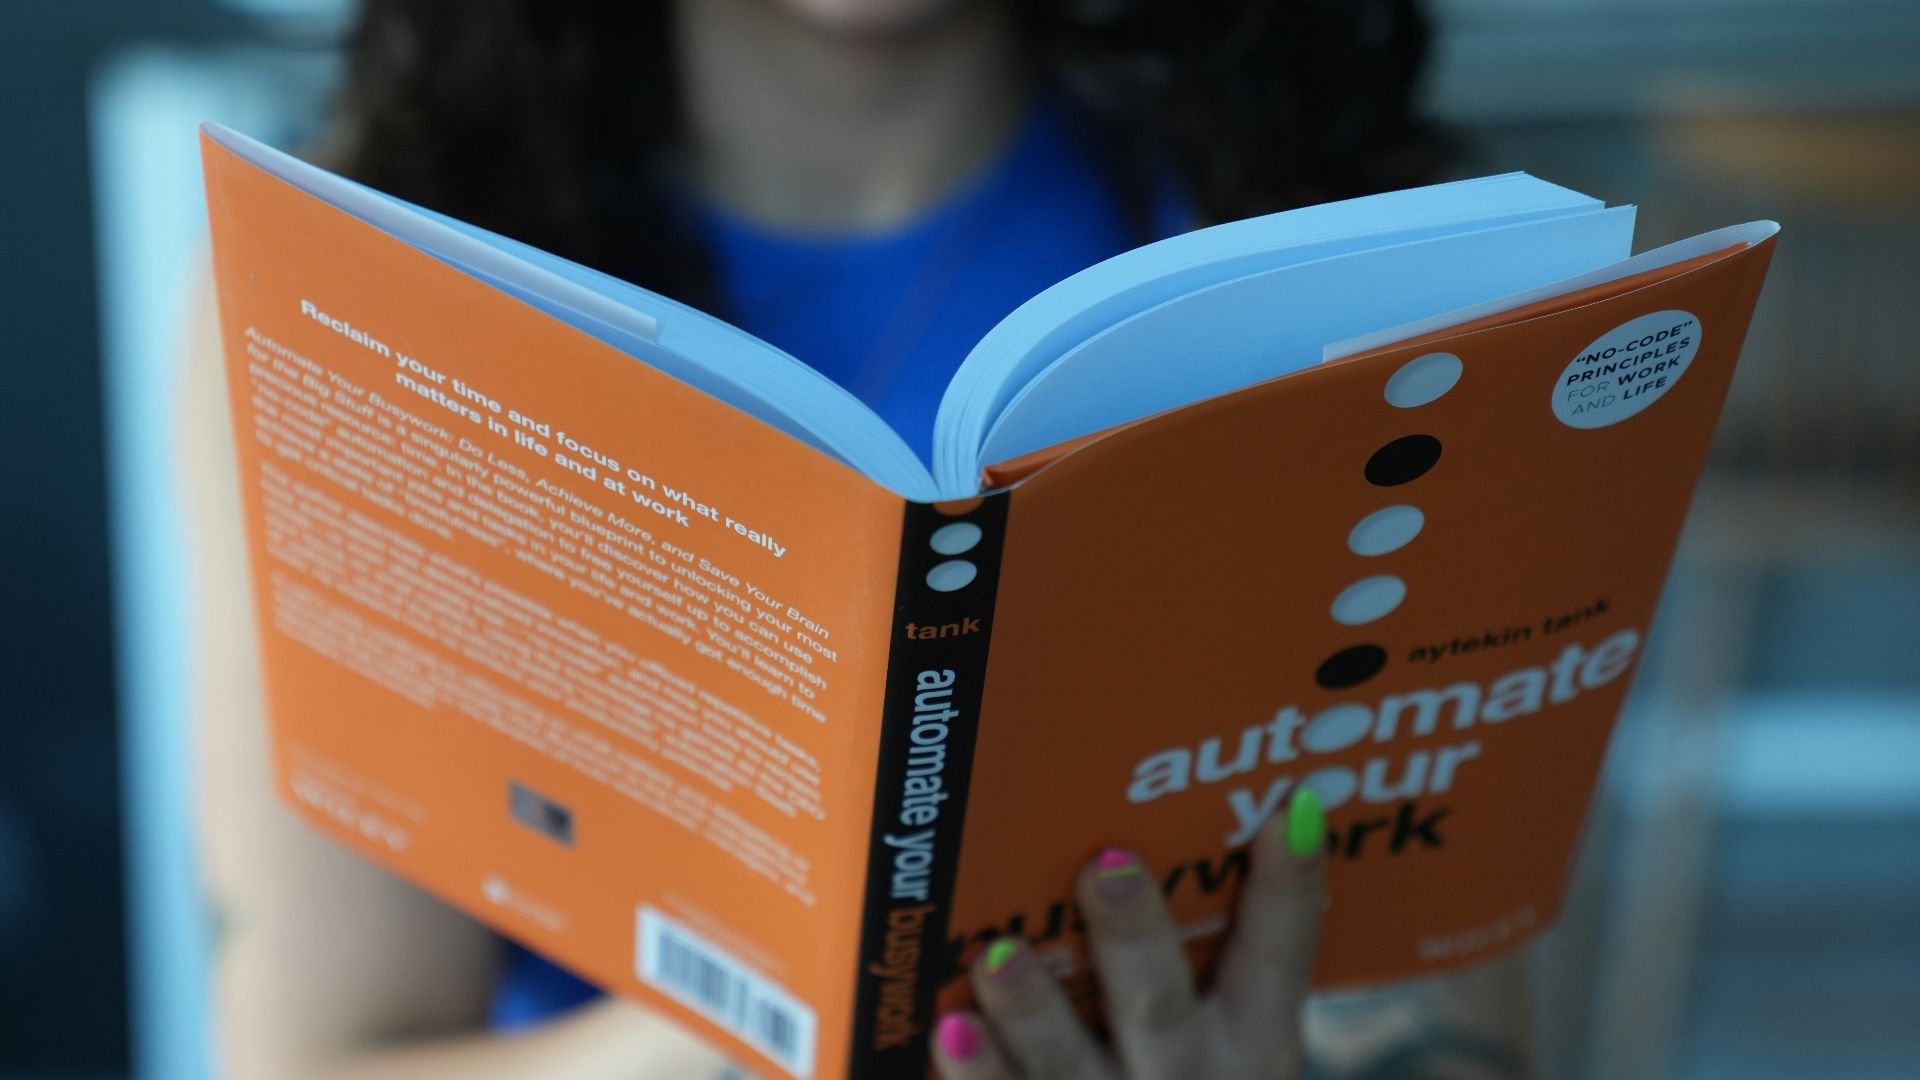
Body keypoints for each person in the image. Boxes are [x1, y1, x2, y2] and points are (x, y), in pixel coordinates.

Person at [185, 1, 1528, 1076]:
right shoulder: (364, 287)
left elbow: (1454, 1025)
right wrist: (747, 1031)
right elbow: (323, 1053)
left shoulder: (1338, 257)